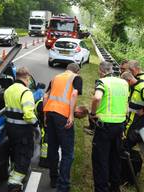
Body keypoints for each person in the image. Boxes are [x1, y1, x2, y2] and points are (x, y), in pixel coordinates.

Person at [90, 61, 129, 192]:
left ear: (101, 71)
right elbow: (125, 103)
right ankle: (115, 187)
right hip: (120, 125)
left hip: (105, 127)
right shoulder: (124, 83)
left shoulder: (102, 82)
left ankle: (101, 189)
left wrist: (93, 113)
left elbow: (97, 98)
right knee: (115, 158)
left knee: (101, 159)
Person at [43, 63, 82, 192]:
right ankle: (63, 186)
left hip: (50, 114)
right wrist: (71, 115)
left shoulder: (56, 77)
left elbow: (45, 96)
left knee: (53, 148)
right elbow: (74, 94)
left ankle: (53, 179)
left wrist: (44, 116)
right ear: (77, 71)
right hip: (62, 116)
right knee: (68, 153)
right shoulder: (76, 78)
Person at [4, 67, 38, 192]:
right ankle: (14, 184)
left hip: (10, 128)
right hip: (23, 130)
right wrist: (36, 124)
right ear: (27, 77)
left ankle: (14, 173)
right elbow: (28, 114)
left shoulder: (8, 90)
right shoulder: (26, 92)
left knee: (15, 152)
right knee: (24, 154)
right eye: (29, 79)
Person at [121, 71, 144, 150]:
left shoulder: (142, 87)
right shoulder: (133, 86)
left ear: (129, 80)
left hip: (139, 120)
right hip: (132, 117)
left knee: (131, 138)